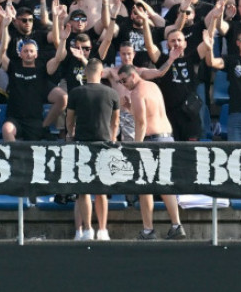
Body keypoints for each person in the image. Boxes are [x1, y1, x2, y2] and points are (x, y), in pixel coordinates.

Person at [117, 64, 187, 240]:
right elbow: (150, 113)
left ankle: (148, 229)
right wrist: (128, 109)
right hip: (167, 138)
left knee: (145, 187)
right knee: (165, 185)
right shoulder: (153, 86)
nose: (123, 84)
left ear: (133, 76)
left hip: (152, 141)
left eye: (124, 80)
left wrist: (136, 147)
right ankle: (177, 225)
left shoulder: (137, 92)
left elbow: (141, 124)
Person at [66, 57, 120, 242]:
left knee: (83, 190)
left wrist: (70, 134)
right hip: (104, 144)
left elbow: (70, 119)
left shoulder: (76, 92)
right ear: (101, 72)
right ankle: (103, 230)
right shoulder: (112, 93)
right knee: (102, 190)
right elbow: (116, 122)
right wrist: (112, 140)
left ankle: (87, 229)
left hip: (82, 145)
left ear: (85, 73)